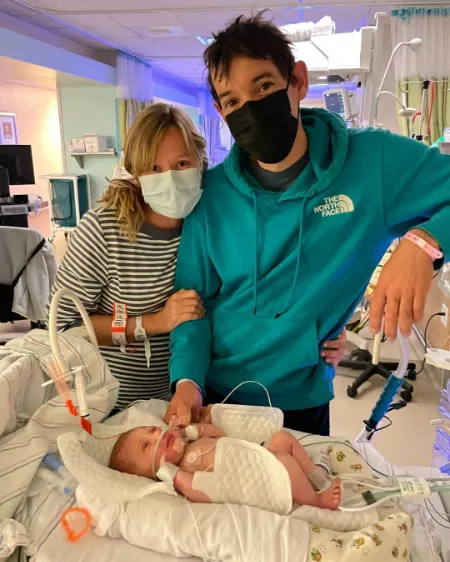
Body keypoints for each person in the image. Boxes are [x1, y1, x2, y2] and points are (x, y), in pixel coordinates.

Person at [165, 14, 450, 436]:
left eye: (262, 86)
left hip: (301, 400)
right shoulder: (211, 196)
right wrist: (187, 380)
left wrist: (424, 244)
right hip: (215, 395)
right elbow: (191, 301)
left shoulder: (373, 165)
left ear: (297, 80)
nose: (251, 111)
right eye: (231, 102)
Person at [49, 104, 207, 410]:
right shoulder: (104, 229)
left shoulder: (206, 223)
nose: (170, 179)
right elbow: (64, 326)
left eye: (182, 163)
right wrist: (155, 322)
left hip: (185, 396)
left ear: (200, 161)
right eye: (154, 169)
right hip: (109, 403)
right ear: (136, 173)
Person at [109, 423, 342, 511]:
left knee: (282, 438)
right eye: (147, 446)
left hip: (258, 455)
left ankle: (316, 476)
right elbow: (199, 492)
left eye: (152, 429)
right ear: (155, 473)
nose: (157, 434)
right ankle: (317, 501)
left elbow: (220, 435)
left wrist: (193, 430)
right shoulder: (184, 477)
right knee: (284, 463)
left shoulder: (192, 443)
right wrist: (174, 474)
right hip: (262, 478)